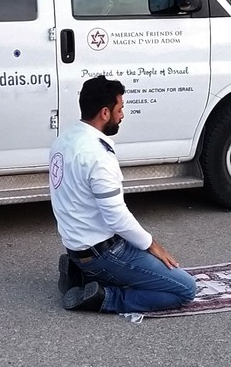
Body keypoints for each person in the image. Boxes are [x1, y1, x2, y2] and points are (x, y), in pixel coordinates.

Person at [49, 75, 196, 313]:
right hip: (103, 253)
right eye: (121, 108)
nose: (123, 114)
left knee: (140, 259)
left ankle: (80, 273)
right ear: (105, 113)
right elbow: (116, 217)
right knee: (184, 289)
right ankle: (104, 297)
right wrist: (152, 245)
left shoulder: (64, 140)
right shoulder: (98, 155)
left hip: (77, 246)